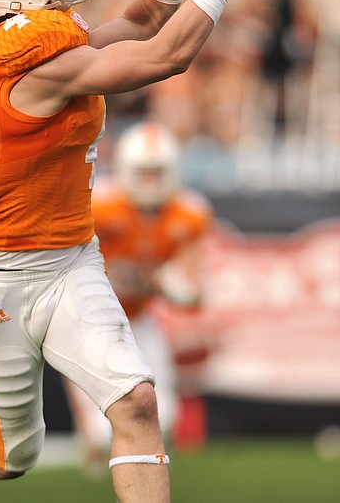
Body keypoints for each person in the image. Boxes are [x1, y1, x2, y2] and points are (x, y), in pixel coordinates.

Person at [0, 0, 286, 503]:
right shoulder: (23, 61)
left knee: (138, 402)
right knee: (12, 455)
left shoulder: (47, 50)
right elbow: (165, 56)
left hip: (72, 260)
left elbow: (146, 17)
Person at [62, 121, 213, 476]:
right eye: (142, 172)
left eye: (157, 172)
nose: (150, 181)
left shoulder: (189, 213)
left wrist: (173, 284)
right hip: (89, 317)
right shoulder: (99, 204)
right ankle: (94, 449)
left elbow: (192, 295)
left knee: (166, 417)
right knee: (102, 431)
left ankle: (138, 472)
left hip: (140, 316)